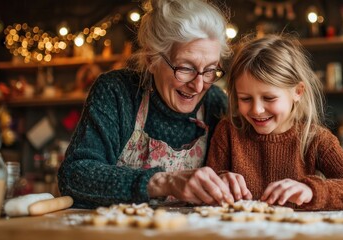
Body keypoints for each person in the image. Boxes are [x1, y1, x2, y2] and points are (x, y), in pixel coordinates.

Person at [58, 0, 234, 209]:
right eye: (186, 68)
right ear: (152, 59)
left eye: (210, 70)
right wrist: (163, 182)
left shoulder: (215, 104)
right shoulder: (117, 92)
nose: (198, 85)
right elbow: (74, 175)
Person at [207, 34, 343, 210]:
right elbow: (206, 195)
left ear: (297, 91)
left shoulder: (315, 139)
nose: (256, 110)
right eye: (245, 99)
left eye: (269, 98)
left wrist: (312, 190)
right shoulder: (228, 132)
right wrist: (218, 183)